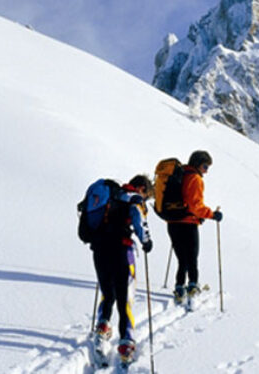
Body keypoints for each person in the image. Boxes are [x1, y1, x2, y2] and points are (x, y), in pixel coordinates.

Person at [92, 175, 153, 363]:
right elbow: (138, 219)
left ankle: (102, 332)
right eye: (147, 195)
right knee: (124, 299)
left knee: (107, 293)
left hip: (99, 249)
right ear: (141, 188)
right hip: (122, 251)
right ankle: (126, 343)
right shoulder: (134, 198)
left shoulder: (111, 195)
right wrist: (146, 241)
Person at [167, 150, 223, 305]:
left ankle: (179, 287)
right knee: (191, 257)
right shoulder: (195, 179)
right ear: (198, 164)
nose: (206, 171)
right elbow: (195, 206)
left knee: (181, 258)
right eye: (205, 167)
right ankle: (192, 286)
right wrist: (212, 215)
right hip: (188, 223)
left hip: (172, 222)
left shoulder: (179, 175)